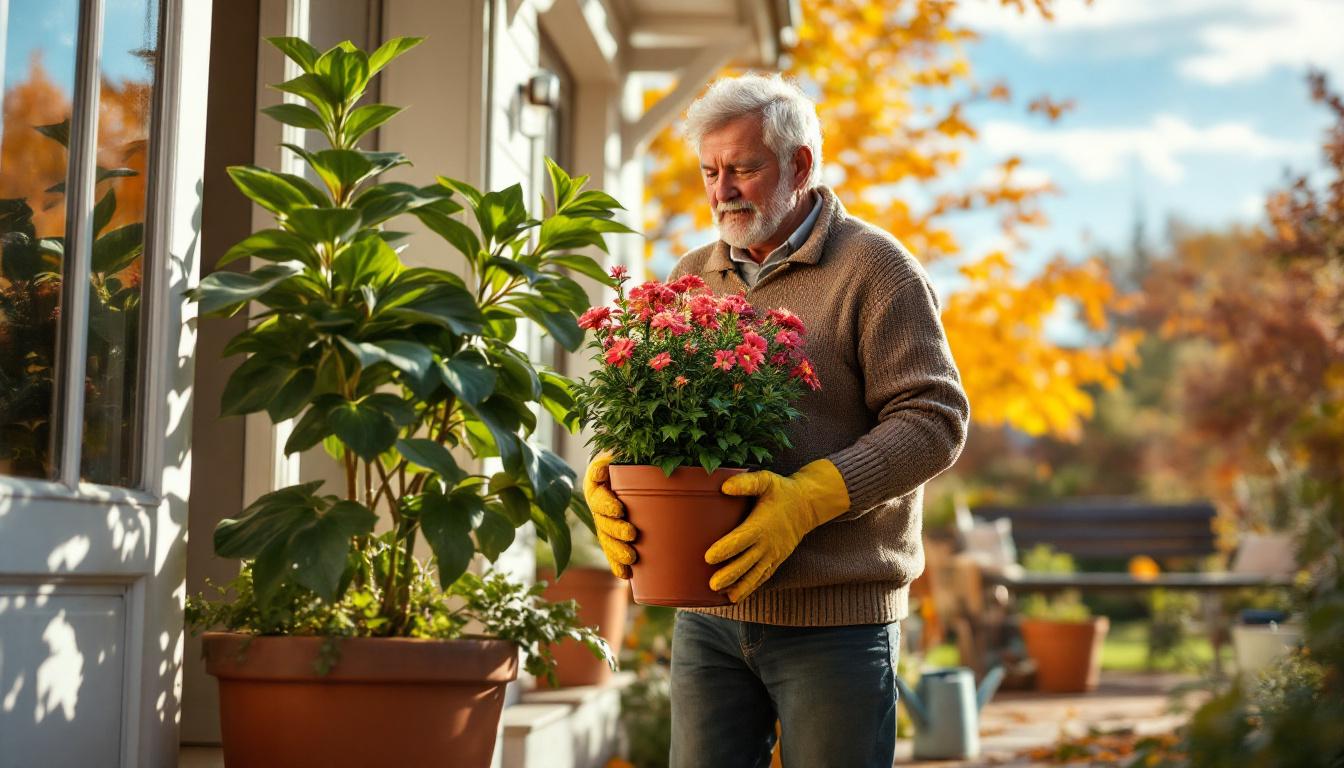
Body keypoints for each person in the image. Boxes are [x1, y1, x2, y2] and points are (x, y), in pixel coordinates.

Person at [583, 73, 970, 768]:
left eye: (743, 168)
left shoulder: (876, 269)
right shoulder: (691, 273)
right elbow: (660, 410)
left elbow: (933, 419)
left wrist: (809, 498)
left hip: (837, 618)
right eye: (709, 170)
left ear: (799, 165)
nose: (722, 189)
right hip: (709, 612)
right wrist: (613, 472)